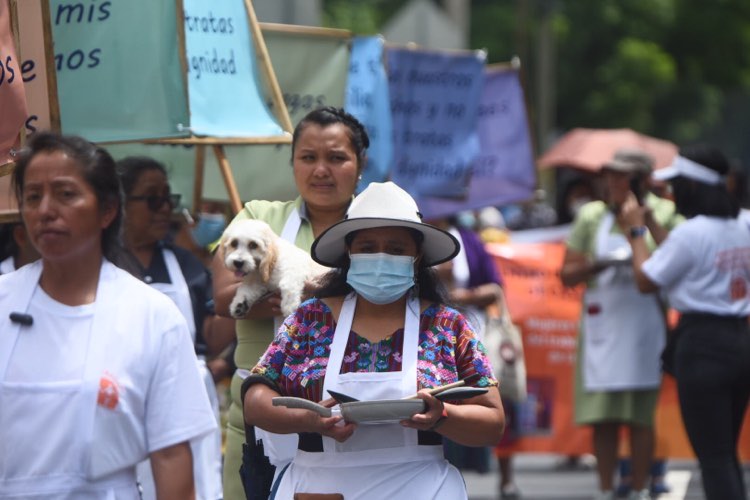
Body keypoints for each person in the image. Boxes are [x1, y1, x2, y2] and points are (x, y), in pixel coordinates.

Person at [241, 181, 504, 498]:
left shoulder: (447, 325)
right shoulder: (310, 319)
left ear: (417, 256)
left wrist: (443, 416)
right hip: (320, 487)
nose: (380, 257)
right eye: (367, 248)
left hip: (421, 487)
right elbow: (255, 399)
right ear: (348, 252)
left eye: (395, 249)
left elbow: (492, 420)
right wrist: (307, 419)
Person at [0, 131, 216, 499]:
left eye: (66, 194)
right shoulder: (4, 300)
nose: (46, 210)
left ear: (107, 210)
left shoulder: (152, 316)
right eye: (33, 196)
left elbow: (170, 455)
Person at [211, 106, 369, 499]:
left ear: (359, 165)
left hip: (351, 411)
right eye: (308, 157)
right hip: (259, 406)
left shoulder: (377, 227)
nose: (321, 170)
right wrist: (277, 295)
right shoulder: (257, 218)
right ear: (293, 163)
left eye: (336, 158)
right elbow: (222, 298)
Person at [619, 146, 750, 500]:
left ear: (694, 186)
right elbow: (683, 257)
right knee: (726, 452)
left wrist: (635, 233)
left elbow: (647, 280)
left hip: (703, 345)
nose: (672, 193)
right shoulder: (744, 223)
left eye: (676, 185)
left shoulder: (693, 233)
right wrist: (655, 227)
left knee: (713, 456)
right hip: (740, 340)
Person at [560, 148, 682, 500]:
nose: (612, 182)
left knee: (640, 416)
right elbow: (567, 273)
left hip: (645, 325)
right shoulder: (591, 216)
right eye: (609, 175)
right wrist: (598, 265)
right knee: (604, 417)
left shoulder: (666, 213)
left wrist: (642, 227)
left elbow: (679, 258)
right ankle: (605, 489)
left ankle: (640, 488)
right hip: (603, 327)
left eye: (621, 176)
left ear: (642, 180)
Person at [117, 156, 229, 500]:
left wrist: (241, 297)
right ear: (118, 204)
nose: (164, 208)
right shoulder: (99, 266)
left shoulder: (185, 263)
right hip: (122, 395)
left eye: (169, 198)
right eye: (152, 199)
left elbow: (210, 338)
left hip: (186, 396)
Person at [429, 214, 519, 498]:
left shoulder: (468, 238)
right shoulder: (414, 237)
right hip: (432, 341)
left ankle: (506, 478)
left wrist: (461, 297)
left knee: (496, 403)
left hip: (475, 336)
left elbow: (494, 285)